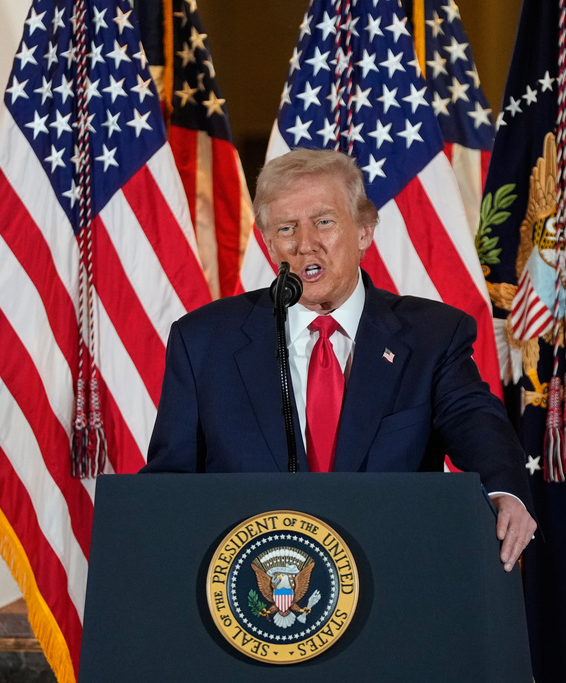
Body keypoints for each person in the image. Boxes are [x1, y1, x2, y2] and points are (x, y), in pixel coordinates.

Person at [143, 148, 536, 571]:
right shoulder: (204, 341)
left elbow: (475, 421)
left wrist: (504, 492)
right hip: (254, 594)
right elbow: (170, 489)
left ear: (364, 231)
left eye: (324, 221)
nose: (304, 244)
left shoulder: (431, 336)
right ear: (268, 241)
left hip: (391, 580)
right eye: (286, 228)